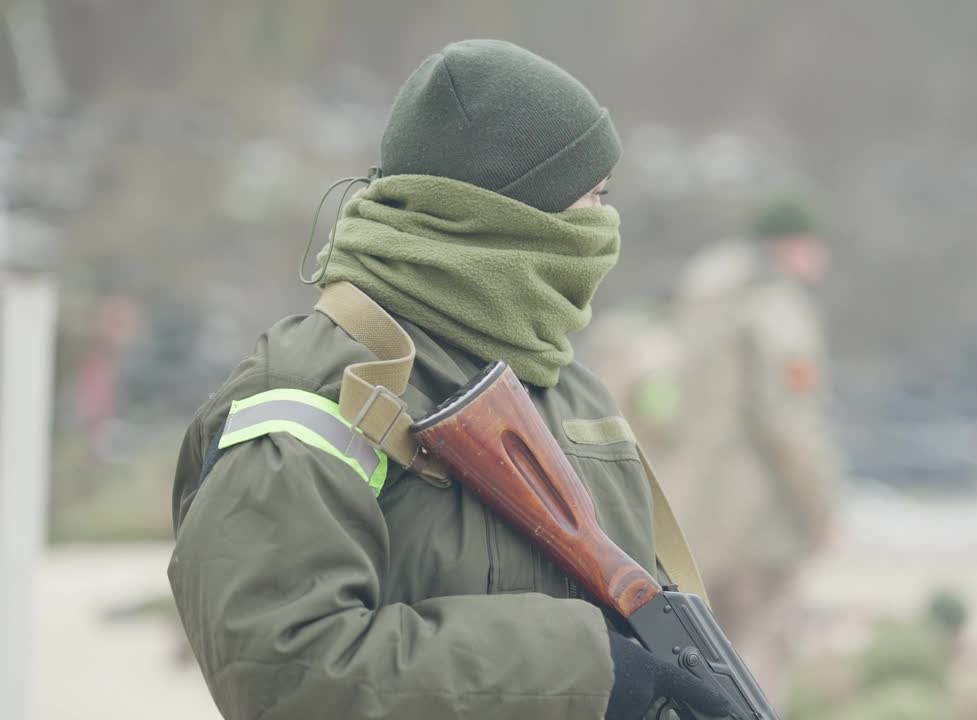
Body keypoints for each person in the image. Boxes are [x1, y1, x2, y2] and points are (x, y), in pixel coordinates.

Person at [167, 39, 731, 720]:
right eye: (590, 198)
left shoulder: (570, 388)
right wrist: (580, 671)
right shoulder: (307, 392)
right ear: (511, 211)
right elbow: (283, 673)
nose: (605, 226)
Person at [656, 192, 844, 694]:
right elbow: (792, 428)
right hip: (761, 520)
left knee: (702, 653)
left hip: (695, 510)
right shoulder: (777, 309)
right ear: (793, 246)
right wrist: (821, 512)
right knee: (762, 650)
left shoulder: (704, 300)